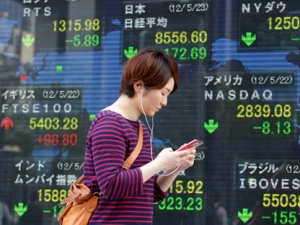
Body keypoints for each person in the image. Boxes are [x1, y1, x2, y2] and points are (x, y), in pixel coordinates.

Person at [84, 46, 196, 224]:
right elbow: (111, 186)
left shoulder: (140, 128)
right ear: (139, 86)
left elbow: (149, 194)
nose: (165, 102)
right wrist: (159, 163)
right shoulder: (109, 124)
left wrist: (175, 168)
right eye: (163, 93)